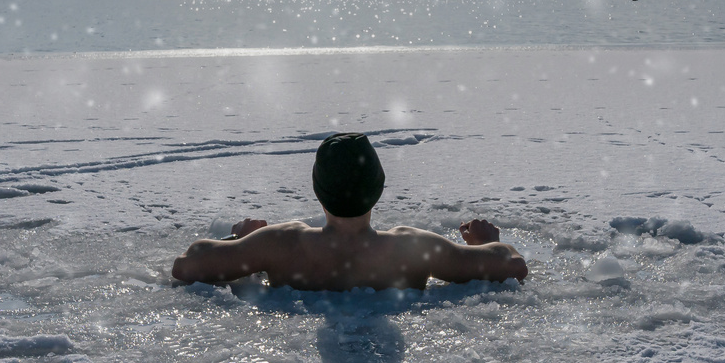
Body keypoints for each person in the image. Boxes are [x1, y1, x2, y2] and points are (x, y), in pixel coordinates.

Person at [170, 132, 528, 289]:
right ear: (378, 189)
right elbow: (513, 266)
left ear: (317, 191)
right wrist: (483, 244)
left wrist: (240, 241)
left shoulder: (281, 244)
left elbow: (187, 265)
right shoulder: (410, 249)